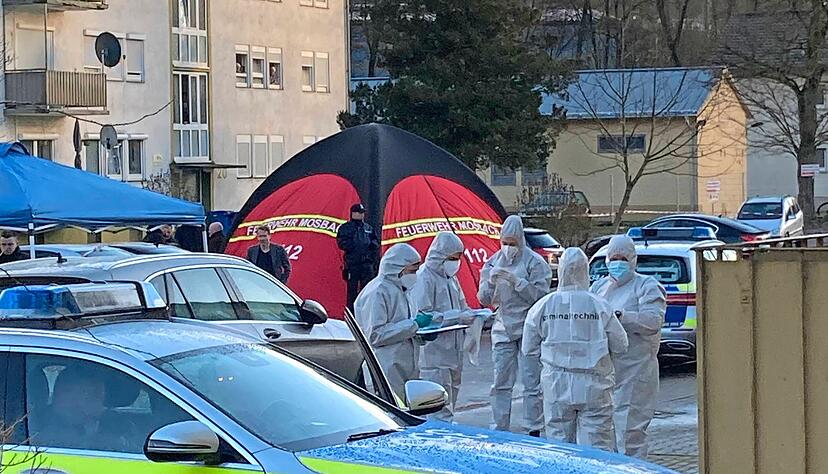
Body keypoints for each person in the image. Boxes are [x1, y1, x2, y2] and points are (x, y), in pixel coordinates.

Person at [522, 247, 628, 450]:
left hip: (556, 384)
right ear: (585, 271)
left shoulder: (543, 306)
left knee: (559, 447)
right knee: (597, 447)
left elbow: (528, 348)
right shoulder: (599, 305)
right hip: (595, 385)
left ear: (560, 270)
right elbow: (621, 345)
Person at [591, 235, 666, 458]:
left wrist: (620, 317)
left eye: (623, 258)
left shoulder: (647, 286)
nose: (618, 263)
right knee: (606, 433)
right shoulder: (599, 287)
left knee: (630, 432)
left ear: (633, 259)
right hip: (606, 371)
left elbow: (652, 321)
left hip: (636, 370)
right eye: (614, 258)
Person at [478, 215, 552, 435]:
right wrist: (490, 283)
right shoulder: (493, 262)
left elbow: (540, 296)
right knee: (501, 381)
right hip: (503, 327)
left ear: (520, 240)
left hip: (529, 327)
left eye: (513, 243)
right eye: (505, 243)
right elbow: (483, 298)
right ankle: (499, 427)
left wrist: (517, 282)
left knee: (531, 382)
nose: (508, 248)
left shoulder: (534, 263)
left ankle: (533, 427)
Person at [412, 232, 476, 422]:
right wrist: (456, 317)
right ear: (440, 255)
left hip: (453, 352)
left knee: (451, 400)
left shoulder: (451, 278)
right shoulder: (424, 277)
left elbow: (462, 305)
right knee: (438, 405)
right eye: (452, 258)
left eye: (458, 258)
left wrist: (474, 315)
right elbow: (424, 317)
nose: (456, 263)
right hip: (434, 354)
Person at [355, 243, 430, 400]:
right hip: (385, 367)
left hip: (406, 366)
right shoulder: (377, 291)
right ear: (397, 268)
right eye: (412, 271)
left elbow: (403, 325)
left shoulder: (404, 290)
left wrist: (420, 334)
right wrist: (414, 325)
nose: (415, 275)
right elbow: (375, 335)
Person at [337, 203, 380, 310]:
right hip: (353, 264)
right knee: (352, 291)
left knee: (367, 290)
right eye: (359, 212)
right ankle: (351, 313)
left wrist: (370, 248)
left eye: (362, 213)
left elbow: (375, 242)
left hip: (366, 265)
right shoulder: (346, 228)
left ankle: (365, 311)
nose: (361, 215)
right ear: (353, 213)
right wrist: (355, 245)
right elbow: (341, 242)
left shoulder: (368, 228)